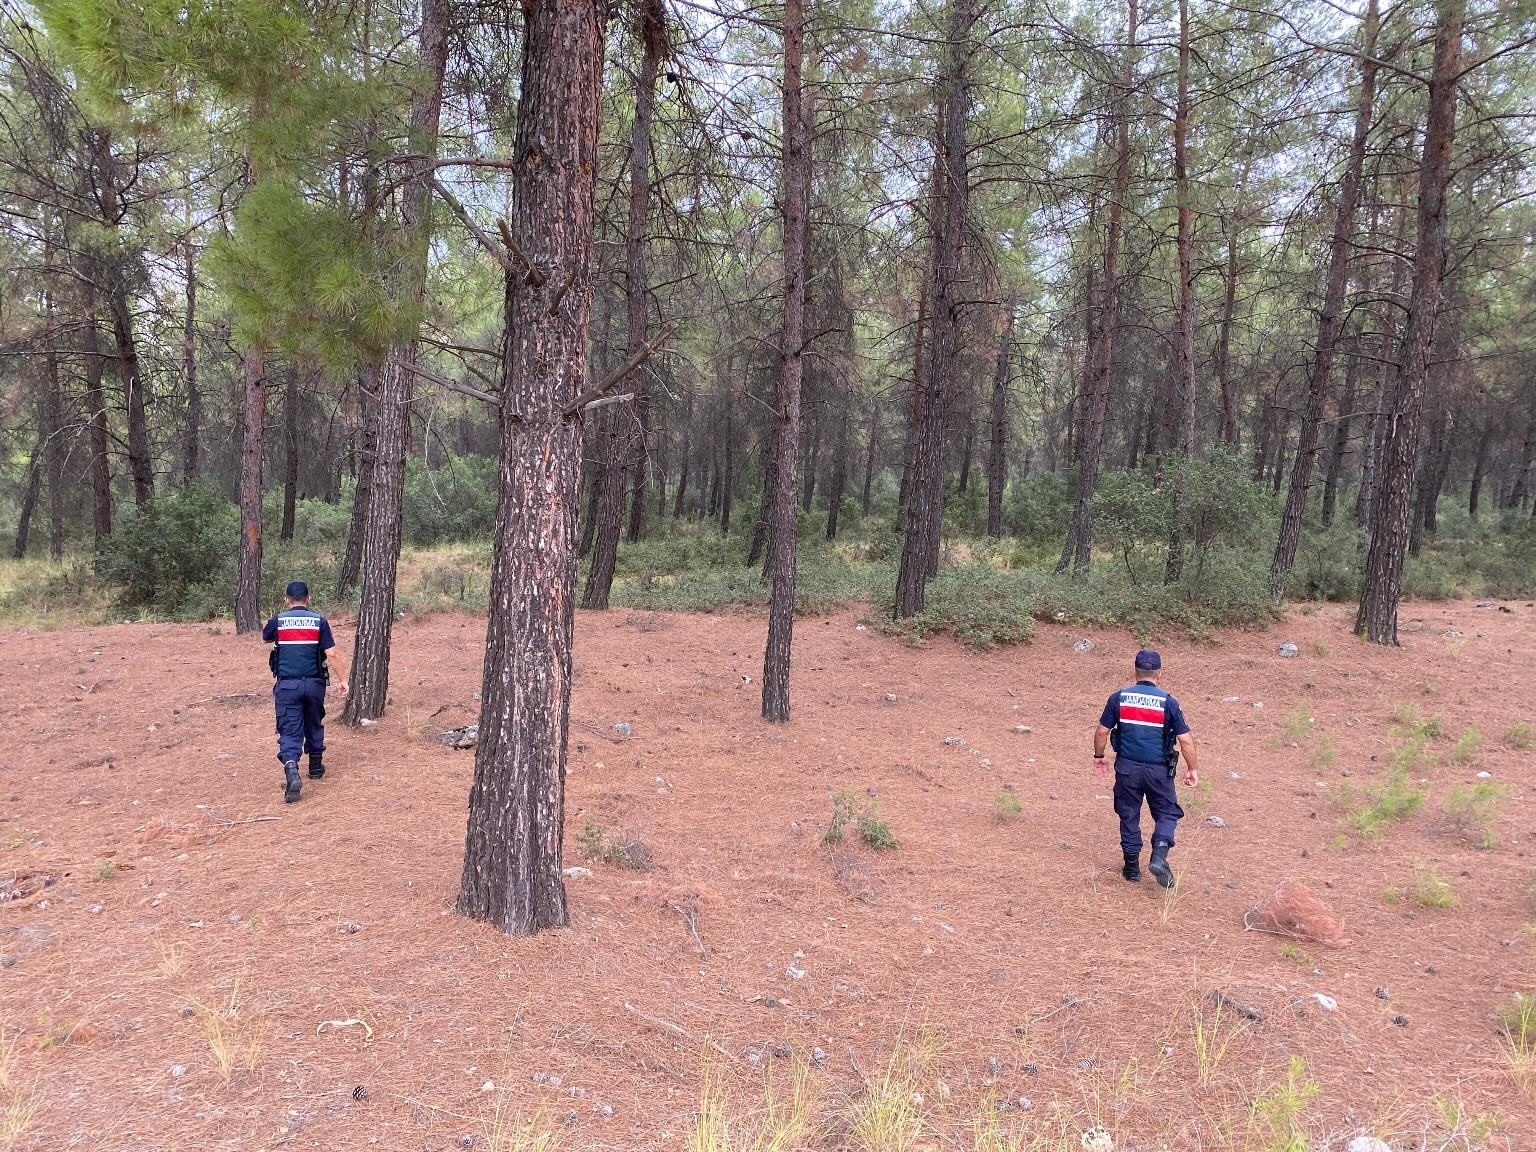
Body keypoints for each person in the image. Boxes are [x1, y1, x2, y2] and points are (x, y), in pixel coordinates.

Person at [1093, 649, 1199, 888]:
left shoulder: (1118, 698)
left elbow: (1102, 731)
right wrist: (1192, 768)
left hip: (1127, 768)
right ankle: (1159, 856)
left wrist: (1099, 756)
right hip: (1158, 771)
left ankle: (1131, 869)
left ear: (1135, 671)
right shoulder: (1168, 702)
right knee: (1167, 812)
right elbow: (1186, 740)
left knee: (1128, 813)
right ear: (1159, 674)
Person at [261, 580, 349, 803]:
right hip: (314, 683)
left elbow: (266, 637)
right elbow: (332, 654)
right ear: (309, 599)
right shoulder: (319, 621)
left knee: (290, 729)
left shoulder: (277, 621)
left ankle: (292, 769)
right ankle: (316, 768)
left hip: (288, 685)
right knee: (314, 721)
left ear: (286, 600)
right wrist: (343, 680)